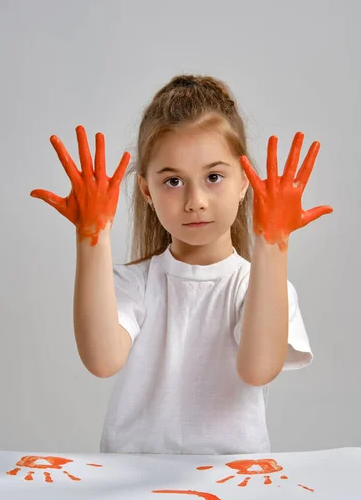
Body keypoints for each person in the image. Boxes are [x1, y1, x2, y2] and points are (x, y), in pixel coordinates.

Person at [31, 74, 333, 455]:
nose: (195, 200)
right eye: (173, 181)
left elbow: (258, 369)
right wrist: (93, 236)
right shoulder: (134, 283)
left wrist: (273, 244)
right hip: (130, 481)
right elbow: (102, 360)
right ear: (147, 191)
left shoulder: (257, 288)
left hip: (232, 483)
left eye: (214, 177)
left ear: (245, 183)